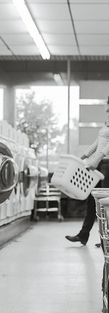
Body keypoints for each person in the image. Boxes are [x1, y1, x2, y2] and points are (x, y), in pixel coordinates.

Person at [66, 97, 109, 246]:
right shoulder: (107, 122)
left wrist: (97, 159)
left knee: (104, 203)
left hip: (107, 164)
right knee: (92, 202)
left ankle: (106, 239)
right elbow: (97, 143)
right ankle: (84, 235)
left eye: (106, 102)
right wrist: (82, 157)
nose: (105, 104)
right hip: (100, 164)